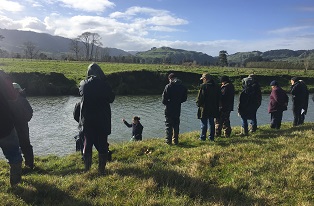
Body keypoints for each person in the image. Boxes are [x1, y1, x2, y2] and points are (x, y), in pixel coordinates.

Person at [78, 63, 115, 175]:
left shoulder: (83, 84)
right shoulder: (105, 85)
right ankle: (101, 169)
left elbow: (80, 93)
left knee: (87, 143)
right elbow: (111, 98)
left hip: (88, 120)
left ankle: (87, 168)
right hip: (102, 119)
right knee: (103, 143)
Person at [0, 70, 23, 186]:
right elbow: (13, 97)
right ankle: (15, 185)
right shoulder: (2, 76)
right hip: (4, 124)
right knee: (14, 154)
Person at [11, 82, 34, 169]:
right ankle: (29, 165)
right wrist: (24, 120)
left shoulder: (5, 100)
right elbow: (30, 112)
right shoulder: (23, 99)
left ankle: (16, 166)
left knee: (13, 147)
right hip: (22, 127)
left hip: (11, 128)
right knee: (26, 146)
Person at [162, 73, 187, 145]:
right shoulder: (182, 86)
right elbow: (184, 98)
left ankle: (168, 141)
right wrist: (178, 102)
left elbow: (164, 100)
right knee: (176, 125)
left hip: (169, 109)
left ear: (170, 79)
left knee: (168, 125)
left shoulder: (168, 86)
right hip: (177, 108)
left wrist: (168, 103)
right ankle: (175, 140)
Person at [196, 73, 221, 141]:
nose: (202, 81)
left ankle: (202, 137)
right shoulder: (216, 86)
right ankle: (211, 137)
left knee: (204, 123)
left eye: (203, 79)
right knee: (211, 123)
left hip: (204, 108)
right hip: (214, 107)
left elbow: (200, 98)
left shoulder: (204, 86)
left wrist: (198, 104)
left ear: (205, 79)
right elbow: (219, 97)